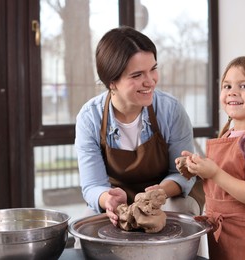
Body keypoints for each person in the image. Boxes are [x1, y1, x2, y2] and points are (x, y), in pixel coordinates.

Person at [74, 26, 200, 227]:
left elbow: (184, 173)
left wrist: (159, 193)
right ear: (112, 81)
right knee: (87, 221)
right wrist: (108, 199)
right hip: (117, 199)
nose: (150, 81)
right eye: (137, 75)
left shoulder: (171, 110)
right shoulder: (90, 118)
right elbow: (92, 185)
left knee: (182, 208)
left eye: (153, 69)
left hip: (163, 198)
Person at [176, 56, 245, 260]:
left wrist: (214, 173)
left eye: (244, 85)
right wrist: (197, 169)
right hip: (224, 234)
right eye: (227, 86)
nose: (232, 91)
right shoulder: (229, 134)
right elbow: (225, 185)